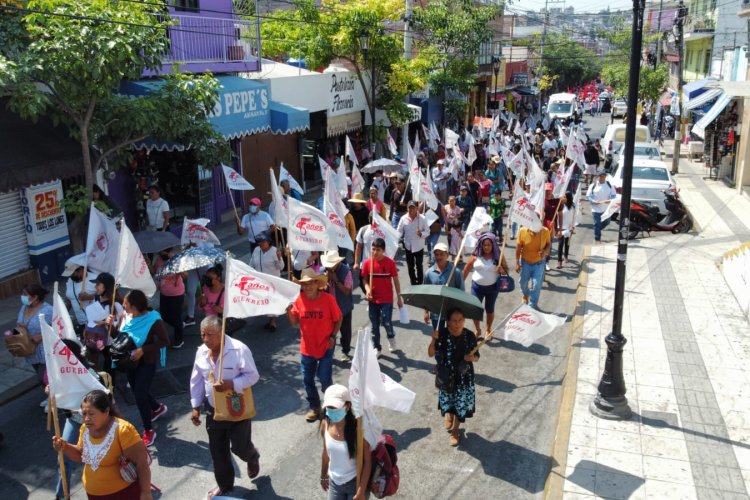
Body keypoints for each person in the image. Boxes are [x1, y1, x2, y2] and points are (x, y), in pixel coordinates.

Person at [190, 316, 261, 499]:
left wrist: (231, 384)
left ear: (221, 333)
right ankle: (225, 485)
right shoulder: (201, 352)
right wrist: (195, 406)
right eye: (202, 335)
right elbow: (197, 381)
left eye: (210, 335)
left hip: (237, 408)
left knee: (239, 447)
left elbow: (253, 377)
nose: (205, 339)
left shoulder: (239, 350)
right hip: (213, 412)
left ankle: (252, 456)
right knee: (218, 452)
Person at [52, 390, 152, 499]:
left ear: (106, 411)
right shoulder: (85, 429)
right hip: (93, 495)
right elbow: (82, 455)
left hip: (123, 494)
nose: (86, 418)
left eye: (91, 414)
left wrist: (146, 492)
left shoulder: (123, 430)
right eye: (84, 413)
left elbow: (142, 463)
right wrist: (65, 447)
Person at [109, 290, 170, 447]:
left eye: (126, 303)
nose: (123, 305)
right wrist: (111, 327)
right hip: (128, 362)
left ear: (134, 305)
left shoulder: (153, 319)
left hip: (146, 362)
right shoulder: (124, 316)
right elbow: (119, 338)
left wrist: (143, 350)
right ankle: (156, 408)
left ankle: (149, 431)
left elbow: (164, 341)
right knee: (138, 390)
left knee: (139, 395)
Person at [287, 269, 342, 422]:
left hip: (325, 346)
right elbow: (293, 322)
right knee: (307, 379)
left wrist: (333, 336)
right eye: (304, 284)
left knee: (325, 379)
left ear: (317, 284)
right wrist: (287, 307)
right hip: (307, 348)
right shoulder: (299, 299)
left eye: (310, 283)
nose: (307, 287)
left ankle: (331, 406)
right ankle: (315, 407)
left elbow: (338, 319)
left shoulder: (328, 299)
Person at [427, 308, 479, 447]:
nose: (458, 323)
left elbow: (477, 357)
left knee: (460, 406)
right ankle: (448, 414)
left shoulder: (469, 336)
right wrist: (433, 340)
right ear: (448, 322)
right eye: (454, 321)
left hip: (464, 378)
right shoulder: (442, 334)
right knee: (449, 402)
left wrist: (471, 357)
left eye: (460, 320)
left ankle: (455, 431)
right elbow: (431, 354)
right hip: (446, 376)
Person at [319, 385, 371, 500]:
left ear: (347, 406)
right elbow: (325, 453)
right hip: (334, 484)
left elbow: (367, 462)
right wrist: (323, 475)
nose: (332, 411)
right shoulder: (325, 424)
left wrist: (361, 492)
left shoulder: (359, 430)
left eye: (336, 408)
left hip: (355, 484)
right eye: (329, 408)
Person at [361, 238, 403, 355]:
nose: (375, 252)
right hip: (373, 299)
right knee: (374, 324)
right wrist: (368, 290)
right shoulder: (367, 263)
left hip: (386, 299)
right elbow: (364, 279)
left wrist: (399, 297)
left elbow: (396, 280)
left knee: (386, 322)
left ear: (383, 250)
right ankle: (377, 347)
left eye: (378, 250)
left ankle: (391, 338)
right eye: (373, 249)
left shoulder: (390, 263)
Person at [462, 233, 509, 337]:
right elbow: (466, 269)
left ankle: (488, 330)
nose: (486, 247)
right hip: (476, 287)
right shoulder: (475, 255)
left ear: (493, 245)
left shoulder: (498, 256)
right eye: (484, 245)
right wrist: (460, 285)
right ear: (481, 245)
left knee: (489, 309)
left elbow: (506, 270)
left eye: (489, 245)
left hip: (492, 288)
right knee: (475, 309)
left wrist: (502, 270)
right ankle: (477, 330)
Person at [17, 283, 53, 402]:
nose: (22, 297)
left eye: (25, 294)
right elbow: (19, 323)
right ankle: (51, 397)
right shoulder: (24, 308)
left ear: (35, 297)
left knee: (43, 377)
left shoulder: (47, 310)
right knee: (40, 373)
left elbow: (52, 328)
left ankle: (54, 399)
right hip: (31, 350)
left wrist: (40, 336)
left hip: (44, 349)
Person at [83, 273, 124, 371]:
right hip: (98, 339)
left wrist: (106, 323)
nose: (95, 287)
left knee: (109, 365)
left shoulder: (116, 303)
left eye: (98, 284)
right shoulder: (96, 299)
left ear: (105, 286)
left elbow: (122, 325)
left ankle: (111, 384)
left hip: (111, 342)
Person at [422, 243, 464, 331]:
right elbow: (426, 294)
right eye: (436, 254)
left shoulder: (455, 272)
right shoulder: (429, 273)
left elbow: (461, 293)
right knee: (439, 338)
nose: (439, 257)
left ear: (447, 255)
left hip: (452, 312)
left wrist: (460, 314)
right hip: (436, 312)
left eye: (441, 254)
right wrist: (426, 312)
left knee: (452, 336)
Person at [322, 251, 354, 362]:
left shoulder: (346, 271)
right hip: (330, 308)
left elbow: (347, 291)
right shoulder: (325, 271)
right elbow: (322, 290)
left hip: (344, 308)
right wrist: (324, 282)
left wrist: (336, 280)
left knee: (345, 331)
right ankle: (330, 353)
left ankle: (345, 351)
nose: (329, 267)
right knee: (330, 332)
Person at [249, 232, 284, 331]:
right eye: (259, 242)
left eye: (263, 241)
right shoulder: (256, 250)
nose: (261, 244)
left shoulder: (275, 251)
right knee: (265, 302)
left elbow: (281, 267)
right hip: (260, 282)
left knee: (271, 301)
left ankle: (273, 322)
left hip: (272, 282)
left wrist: (279, 258)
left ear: (269, 241)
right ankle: (270, 320)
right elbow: (251, 264)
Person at [153, 247, 186, 349]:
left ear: (170, 252)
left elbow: (185, 276)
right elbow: (155, 273)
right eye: (161, 252)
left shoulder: (176, 260)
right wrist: (149, 265)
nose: (161, 253)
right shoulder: (158, 260)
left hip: (176, 294)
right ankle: (179, 324)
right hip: (164, 293)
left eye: (165, 252)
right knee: (164, 315)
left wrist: (179, 269)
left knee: (176, 317)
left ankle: (179, 339)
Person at [515, 223, 551, 310]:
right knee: (522, 283)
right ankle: (526, 294)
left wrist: (545, 251)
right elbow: (518, 248)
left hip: (539, 263)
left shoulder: (545, 231)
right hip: (525, 262)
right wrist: (517, 262)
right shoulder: (522, 231)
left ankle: (533, 305)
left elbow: (548, 244)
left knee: (536, 285)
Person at [61, 255, 97, 335]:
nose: (70, 276)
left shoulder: (95, 279)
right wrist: (62, 313)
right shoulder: (70, 281)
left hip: (96, 323)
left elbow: (108, 296)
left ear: (81, 270)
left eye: (72, 273)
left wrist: (90, 297)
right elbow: (70, 299)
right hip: (81, 324)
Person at [396, 201, 429, 286]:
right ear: (407, 208)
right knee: (410, 267)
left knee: (419, 265)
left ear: (417, 208)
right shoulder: (403, 218)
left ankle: (420, 282)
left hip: (419, 246)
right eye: (409, 207)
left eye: (413, 207)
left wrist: (421, 234)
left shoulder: (422, 218)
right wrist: (395, 239)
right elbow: (399, 231)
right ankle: (413, 282)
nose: (411, 210)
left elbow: (428, 231)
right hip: (408, 247)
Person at [587, 169, 617, 243]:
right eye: (600, 176)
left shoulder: (610, 185)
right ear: (598, 177)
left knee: (607, 222)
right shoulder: (593, 185)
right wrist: (594, 201)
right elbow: (588, 196)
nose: (601, 177)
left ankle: (597, 230)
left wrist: (610, 200)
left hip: (606, 209)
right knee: (597, 223)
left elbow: (613, 195)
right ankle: (597, 239)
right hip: (596, 209)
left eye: (603, 176)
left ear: (605, 176)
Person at [557, 193, 576, 268]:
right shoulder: (560, 206)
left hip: (569, 228)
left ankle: (566, 256)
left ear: (569, 198)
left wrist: (573, 226)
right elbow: (557, 217)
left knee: (567, 243)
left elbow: (574, 217)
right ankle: (559, 261)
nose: (563, 198)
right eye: (563, 197)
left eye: (565, 197)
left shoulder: (573, 206)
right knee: (560, 244)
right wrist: (557, 228)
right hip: (561, 228)